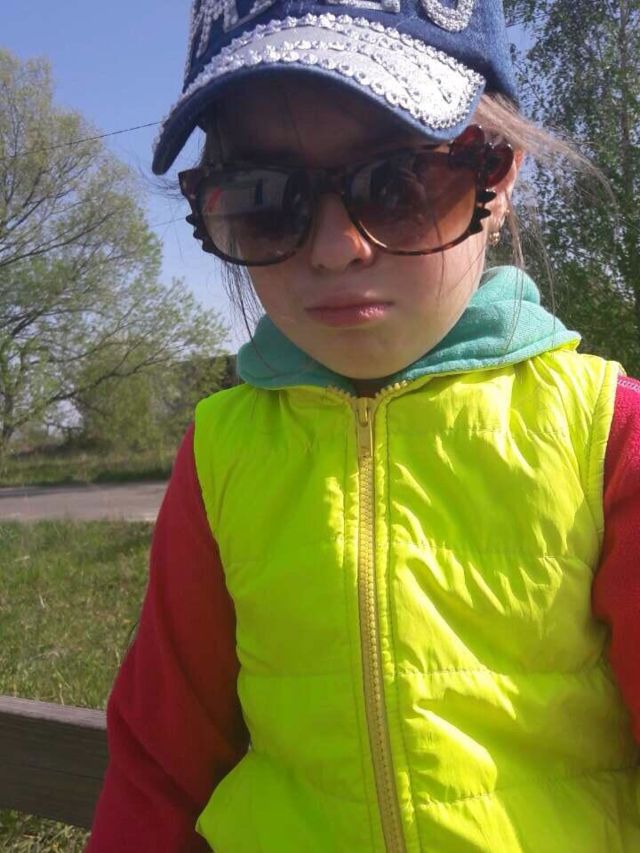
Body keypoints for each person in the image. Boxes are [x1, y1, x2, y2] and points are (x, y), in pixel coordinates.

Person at [87, 1, 640, 850]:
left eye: (400, 184)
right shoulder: (222, 452)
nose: (335, 247)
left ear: (499, 177)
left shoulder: (607, 434)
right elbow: (161, 767)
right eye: (267, 200)